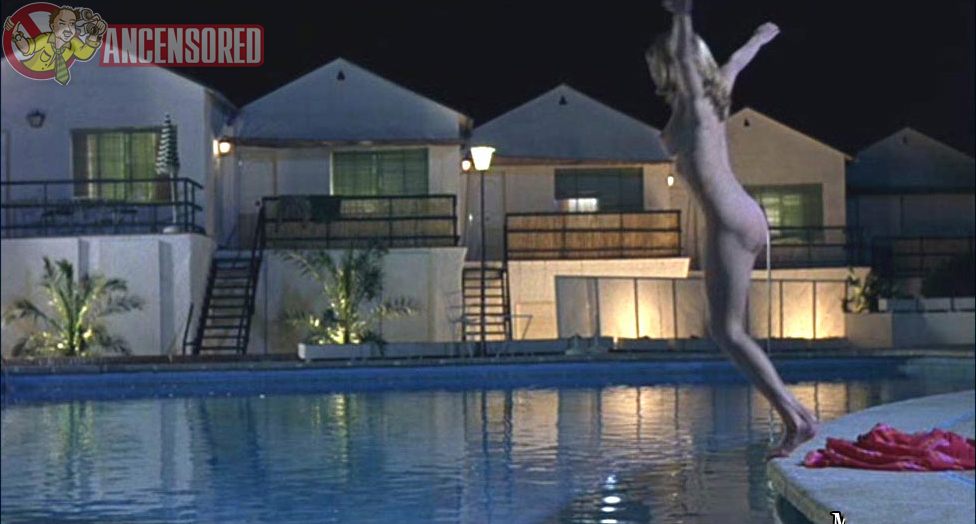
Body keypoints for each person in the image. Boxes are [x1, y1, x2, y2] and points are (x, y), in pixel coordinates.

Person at [645, 0, 818, 458]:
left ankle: (798, 422)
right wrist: (760, 36)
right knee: (726, 330)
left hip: (729, 219)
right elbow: (737, 61)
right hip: (737, 214)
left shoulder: (697, 102)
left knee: (728, 331)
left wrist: (682, 15)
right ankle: (798, 415)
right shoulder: (712, 95)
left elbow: (687, 59)